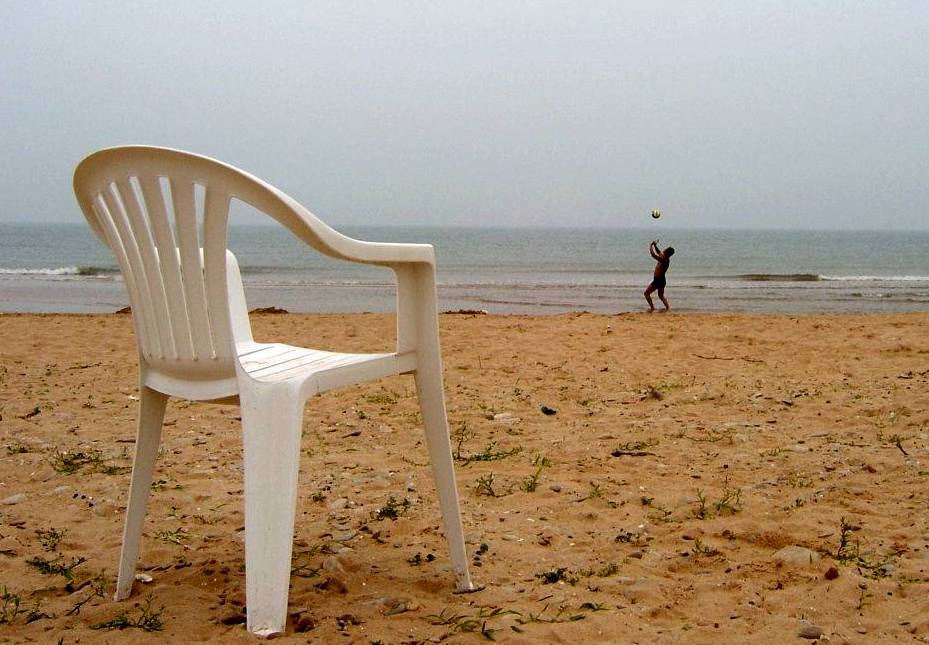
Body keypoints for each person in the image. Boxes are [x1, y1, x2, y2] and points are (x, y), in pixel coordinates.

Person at [644, 240, 674, 312]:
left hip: (658, 280)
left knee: (646, 293)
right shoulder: (664, 257)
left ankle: (652, 308)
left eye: (665, 250)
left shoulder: (664, 260)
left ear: (667, 253)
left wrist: (650, 245)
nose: (664, 250)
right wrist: (655, 245)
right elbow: (659, 252)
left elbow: (653, 255)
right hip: (661, 280)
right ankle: (668, 308)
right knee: (661, 296)